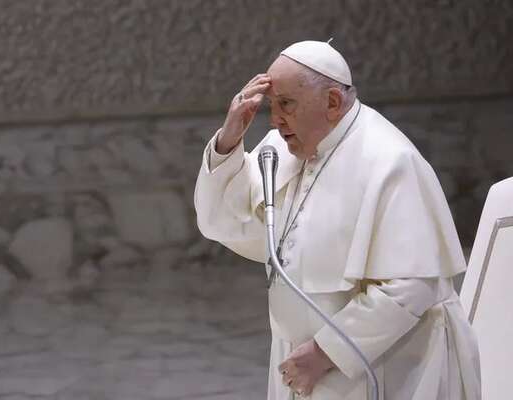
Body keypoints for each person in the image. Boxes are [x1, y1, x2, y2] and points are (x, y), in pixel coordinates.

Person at [194, 40, 481, 399]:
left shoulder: (389, 160)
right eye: (272, 105)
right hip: (302, 361)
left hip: (382, 362)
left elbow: (410, 285)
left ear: (331, 102)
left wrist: (327, 352)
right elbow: (221, 221)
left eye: (287, 104)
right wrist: (229, 140)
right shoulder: (281, 149)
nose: (276, 118)